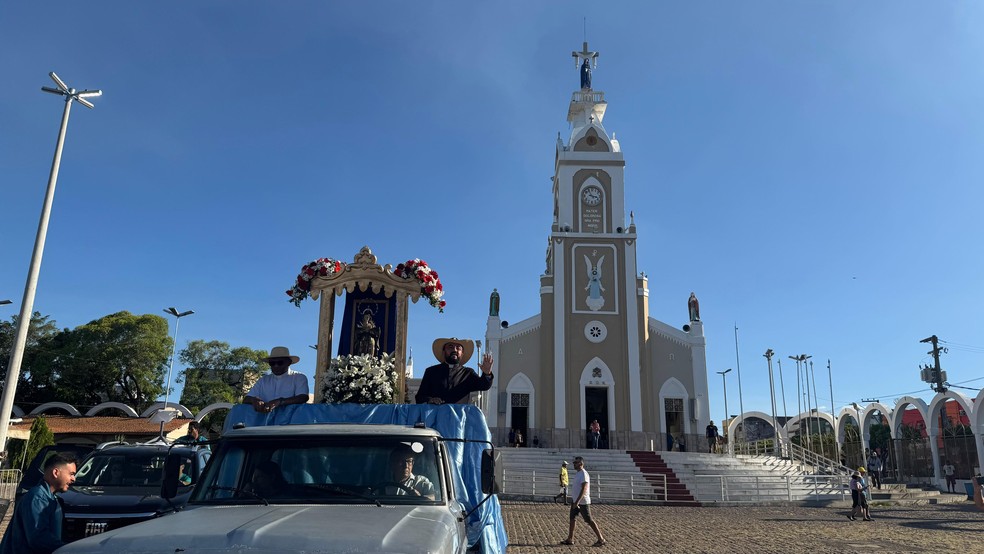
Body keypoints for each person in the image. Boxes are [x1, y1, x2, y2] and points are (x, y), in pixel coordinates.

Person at [0, 453, 76, 554]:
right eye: (71, 474)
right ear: (56, 472)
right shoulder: (37, 498)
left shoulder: (50, 498)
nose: (73, 479)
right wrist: (68, 549)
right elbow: (38, 538)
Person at [415, 338, 494, 405]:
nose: (454, 350)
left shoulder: (468, 373)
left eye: (458, 348)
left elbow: (484, 386)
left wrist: (487, 373)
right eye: (450, 347)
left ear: (462, 353)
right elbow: (420, 397)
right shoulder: (431, 372)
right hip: (435, 418)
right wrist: (431, 400)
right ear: (444, 351)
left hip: (459, 420)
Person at [244, 346, 310, 413]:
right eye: (272, 363)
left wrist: (280, 401)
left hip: (291, 421)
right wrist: (254, 400)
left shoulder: (299, 377)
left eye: (280, 363)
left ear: (289, 362)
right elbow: (246, 399)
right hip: (264, 421)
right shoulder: (263, 380)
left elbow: (303, 397)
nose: (276, 366)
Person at [560, 457, 606, 547]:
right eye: (574, 463)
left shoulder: (584, 474)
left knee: (589, 520)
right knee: (572, 518)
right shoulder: (578, 473)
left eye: (576, 463)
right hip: (576, 501)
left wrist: (577, 501)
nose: (574, 464)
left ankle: (601, 539)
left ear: (581, 463)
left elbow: (584, 489)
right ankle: (570, 538)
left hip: (582, 502)